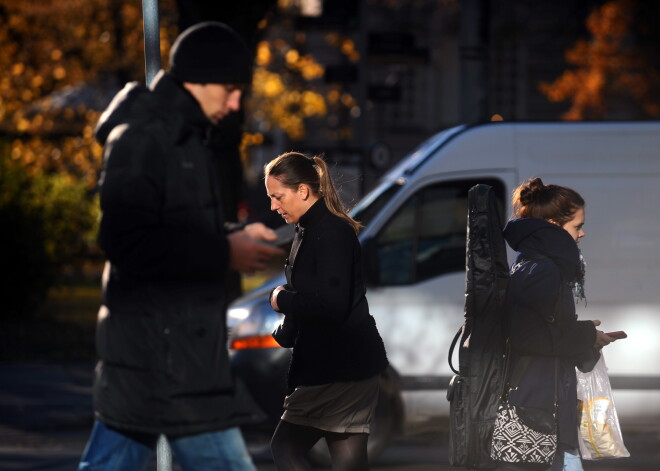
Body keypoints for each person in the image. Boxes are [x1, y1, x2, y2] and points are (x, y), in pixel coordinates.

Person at [77, 21, 285, 471]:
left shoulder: (182, 137)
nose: (235, 103)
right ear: (199, 79)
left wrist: (234, 234)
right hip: (167, 362)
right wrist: (224, 252)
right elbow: (125, 241)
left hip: (162, 356)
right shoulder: (142, 138)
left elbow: (176, 225)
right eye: (230, 89)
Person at [264, 152, 389, 471]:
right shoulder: (308, 228)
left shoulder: (330, 232)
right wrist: (290, 326)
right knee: (348, 461)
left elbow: (330, 304)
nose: (273, 206)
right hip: (348, 365)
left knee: (286, 447)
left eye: (277, 197)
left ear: (303, 191)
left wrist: (281, 300)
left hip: (337, 369)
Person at [498, 177, 618, 471]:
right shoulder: (543, 269)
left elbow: (548, 328)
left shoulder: (533, 262)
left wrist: (588, 337)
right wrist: (588, 335)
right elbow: (530, 336)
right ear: (554, 225)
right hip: (538, 404)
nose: (583, 233)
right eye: (577, 226)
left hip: (544, 399)